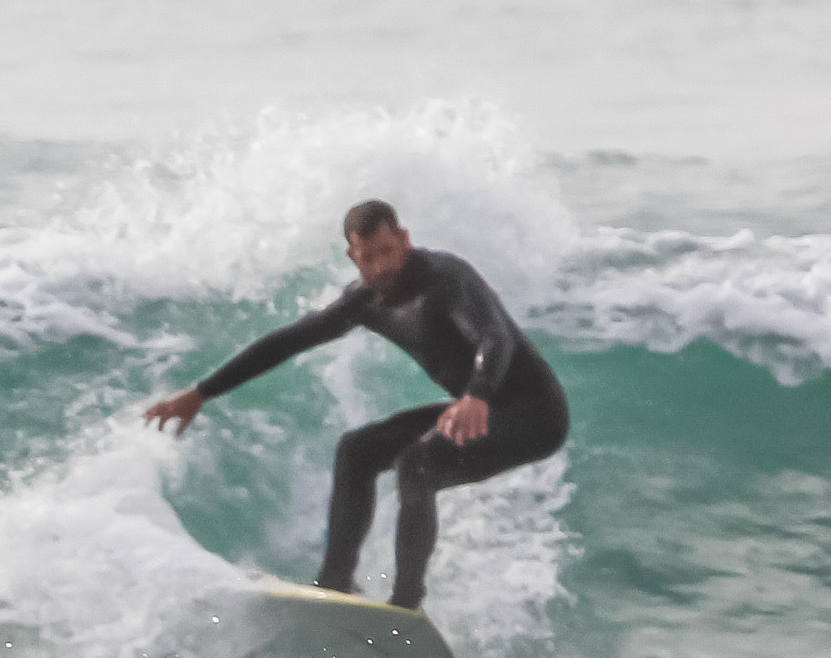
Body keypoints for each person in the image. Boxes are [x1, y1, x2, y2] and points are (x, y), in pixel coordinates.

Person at [143, 200, 568, 612]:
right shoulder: (363, 302)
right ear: (352, 255)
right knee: (357, 451)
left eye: (388, 251)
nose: (381, 266)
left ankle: (405, 606)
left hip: (534, 414)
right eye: (368, 257)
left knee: (418, 464)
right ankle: (335, 585)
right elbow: (288, 341)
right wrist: (201, 393)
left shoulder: (445, 277)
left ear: (404, 239)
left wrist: (478, 393)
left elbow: (495, 338)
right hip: (479, 407)